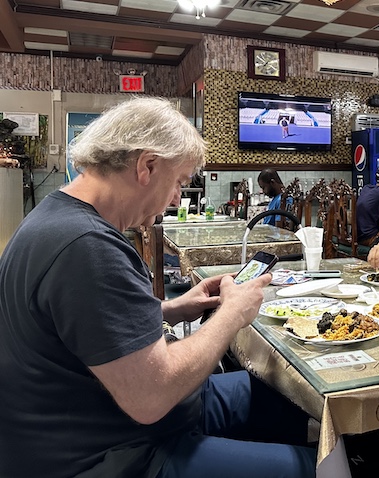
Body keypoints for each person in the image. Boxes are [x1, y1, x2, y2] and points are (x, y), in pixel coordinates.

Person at [0, 98, 316, 478]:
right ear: (147, 165)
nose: (176, 200)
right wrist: (232, 313)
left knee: (280, 398)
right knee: (307, 467)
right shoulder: (87, 246)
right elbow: (150, 398)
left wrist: (172, 308)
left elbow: (83, 324)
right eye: (180, 182)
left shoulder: (55, 216)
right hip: (107, 452)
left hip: (107, 413)